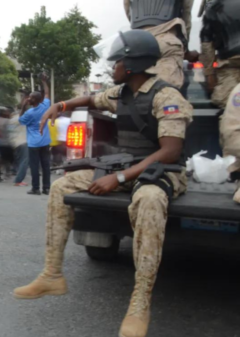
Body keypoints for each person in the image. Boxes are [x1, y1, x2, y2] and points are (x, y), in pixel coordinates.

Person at [14, 30, 193, 337]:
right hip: (124, 168)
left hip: (160, 172)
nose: (114, 67)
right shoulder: (121, 93)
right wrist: (61, 105)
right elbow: (90, 98)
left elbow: (170, 150)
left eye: (118, 61)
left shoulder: (167, 96)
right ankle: (52, 275)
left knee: (148, 201)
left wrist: (120, 178)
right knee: (61, 187)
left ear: (133, 65)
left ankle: (140, 304)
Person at [124, 0, 198, 89]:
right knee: (165, 91)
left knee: (139, 90)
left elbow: (128, 9)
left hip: (140, 40)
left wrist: (143, 30)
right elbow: (186, 13)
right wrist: (185, 48)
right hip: (167, 37)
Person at [199, 0, 240, 109]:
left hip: (229, 65)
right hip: (229, 65)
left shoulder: (213, 8)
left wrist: (209, 74)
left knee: (229, 105)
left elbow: (206, 43)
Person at [19, 91, 51, 195]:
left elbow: (20, 120)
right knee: (45, 166)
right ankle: (46, 188)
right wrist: (44, 81)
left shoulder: (29, 113)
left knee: (34, 167)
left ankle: (36, 188)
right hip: (45, 141)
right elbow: (46, 93)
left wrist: (23, 107)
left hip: (33, 144)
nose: (28, 99)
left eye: (30, 98)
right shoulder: (45, 106)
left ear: (34, 100)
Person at [10, 108, 28, 186]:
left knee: (20, 161)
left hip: (15, 143)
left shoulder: (11, 120)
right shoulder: (21, 118)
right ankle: (18, 180)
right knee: (24, 162)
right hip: (23, 142)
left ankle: (18, 178)